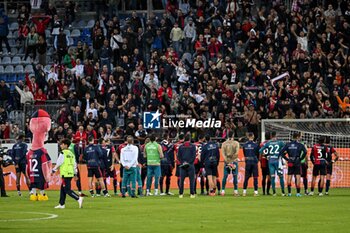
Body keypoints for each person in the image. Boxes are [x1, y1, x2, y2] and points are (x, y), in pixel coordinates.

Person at [52, 139, 83, 209]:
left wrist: (53, 170)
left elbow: (58, 163)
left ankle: (78, 198)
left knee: (67, 190)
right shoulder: (71, 154)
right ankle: (61, 204)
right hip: (70, 173)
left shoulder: (63, 153)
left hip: (65, 173)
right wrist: (75, 174)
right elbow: (74, 165)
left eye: (62, 144)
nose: (60, 145)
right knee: (62, 189)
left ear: (65, 145)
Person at [279, 132, 307, 197]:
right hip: (297, 161)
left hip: (290, 161)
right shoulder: (300, 145)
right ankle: (298, 193)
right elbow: (305, 152)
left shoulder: (288, 144)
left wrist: (287, 159)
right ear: (297, 137)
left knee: (289, 177)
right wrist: (300, 158)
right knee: (298, 177)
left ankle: (289, 193)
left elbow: (281, 152)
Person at [259, 131, 286, 196]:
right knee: (281, 176)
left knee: (272, 177)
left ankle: (274, 193)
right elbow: (286, 149)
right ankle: (283, 192)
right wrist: (282, 154)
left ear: (271, 136)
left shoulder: (268, 143)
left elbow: (260, 150)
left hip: (270, 161)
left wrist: (266, 156)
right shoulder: (280, 142)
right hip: (277, 160)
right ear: (275, 135)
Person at [221, 131, 240, 196]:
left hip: (227, 161)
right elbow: (237, 153)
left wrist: (227, 160)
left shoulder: (224, 144)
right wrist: (232, 160)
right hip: (234, 161)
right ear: (233, 135)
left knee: (225, 176)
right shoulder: (236, 143)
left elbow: (223, 153)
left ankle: (223, 191)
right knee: (235, 176)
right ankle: (235, 191)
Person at [177, 134, 196, 198]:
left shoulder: (181, 146)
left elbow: (178, 156)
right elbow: (194, 156)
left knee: (181, 180)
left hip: (183, 165)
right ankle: (192, 194)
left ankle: (181, 194)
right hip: (190, 165)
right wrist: (189, 162)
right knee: (192, 180)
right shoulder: (193, 146)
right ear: (190, 139)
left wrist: (183, 162)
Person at [242, 132, 260, 196]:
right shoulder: (256, 145)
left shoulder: (245, 145)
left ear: (248, 136)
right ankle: (255, 192)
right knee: (255, 177)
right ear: (253, 136)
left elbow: (244, 154)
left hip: (248, 162)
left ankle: (244, 192)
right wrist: (257, 160)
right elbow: (258, 154)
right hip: (254, 162)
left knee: (246, 177)